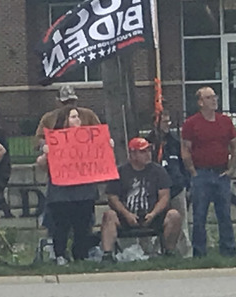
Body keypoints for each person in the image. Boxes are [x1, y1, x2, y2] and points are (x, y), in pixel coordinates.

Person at [36, 107, 100, 265]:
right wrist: (46, 154)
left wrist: (105, 145)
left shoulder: (89, 139)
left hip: (84, 190)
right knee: (61, 225)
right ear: (64, 120)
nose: (77, 119)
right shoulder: (54, 142)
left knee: (83, 225)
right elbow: (42, 164)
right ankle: (60, 254)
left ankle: (80, 255)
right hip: (61, 191)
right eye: (73, 117)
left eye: (78, 116)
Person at [100, 137, 182, 262]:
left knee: (174, 215)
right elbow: (112, 197)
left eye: (148, 150)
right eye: (143, 151)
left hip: (152, 215)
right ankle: (107, 255)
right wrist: (126, 214)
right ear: (132, 154)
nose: (148, 154)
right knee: (109, 216)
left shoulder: (158, 171)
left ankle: (169, 252)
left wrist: (153, 214)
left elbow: (165, 196)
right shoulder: (121, 172)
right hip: (126, 216)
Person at [181, 86, 236, 257]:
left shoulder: (225, 121)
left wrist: (232, 168)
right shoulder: (191, 123)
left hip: (221, 173)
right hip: (201, 174)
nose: (214, 100)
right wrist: (192, 171)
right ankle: (199, 252)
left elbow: (234, 145)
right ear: (200, 102)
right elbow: (185, 149)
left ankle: (228, 250)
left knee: (225, 214)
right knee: (199, 215)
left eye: (215, 97)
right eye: (209, 97)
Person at [146, 110, 192, 257]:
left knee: (181, 222)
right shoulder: (149, 142)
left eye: (169, 121)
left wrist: (185, 182)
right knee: (155, 222)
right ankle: (154, 253)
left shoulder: (174, 141)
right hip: (155, 191)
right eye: (165, 122)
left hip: (176, 187)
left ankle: (185, 254)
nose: (168, 125)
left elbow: (182, 164)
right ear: (156, 123)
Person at [34, 85, 100, 148]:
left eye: (72, 102)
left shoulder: (88, 114)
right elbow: (38, 138)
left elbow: (100, 133)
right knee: (41, 160)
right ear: (58, 102)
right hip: (58, 155)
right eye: (65, 102)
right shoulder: (48, 118)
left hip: (84, 154)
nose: (69, 105)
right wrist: (44, 145)